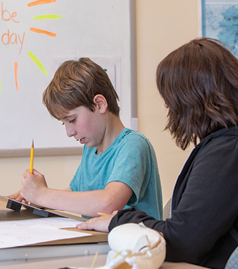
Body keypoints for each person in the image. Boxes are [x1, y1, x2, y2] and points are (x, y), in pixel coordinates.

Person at [77, 38, 238, 269]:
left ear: (195, 95)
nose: (166, 105)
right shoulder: (222, 147)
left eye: (171, 94)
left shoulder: (226, 152)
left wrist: (120, 219)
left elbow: (182, 241)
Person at [9, 57, 163, 219]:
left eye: (72, 120)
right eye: (64, 124)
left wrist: (44, 194)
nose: (69, 132)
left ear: (100, 104)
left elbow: (108, 203)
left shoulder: (133, 145)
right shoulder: (91, 149)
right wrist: (38, 198)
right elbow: (76, 195)